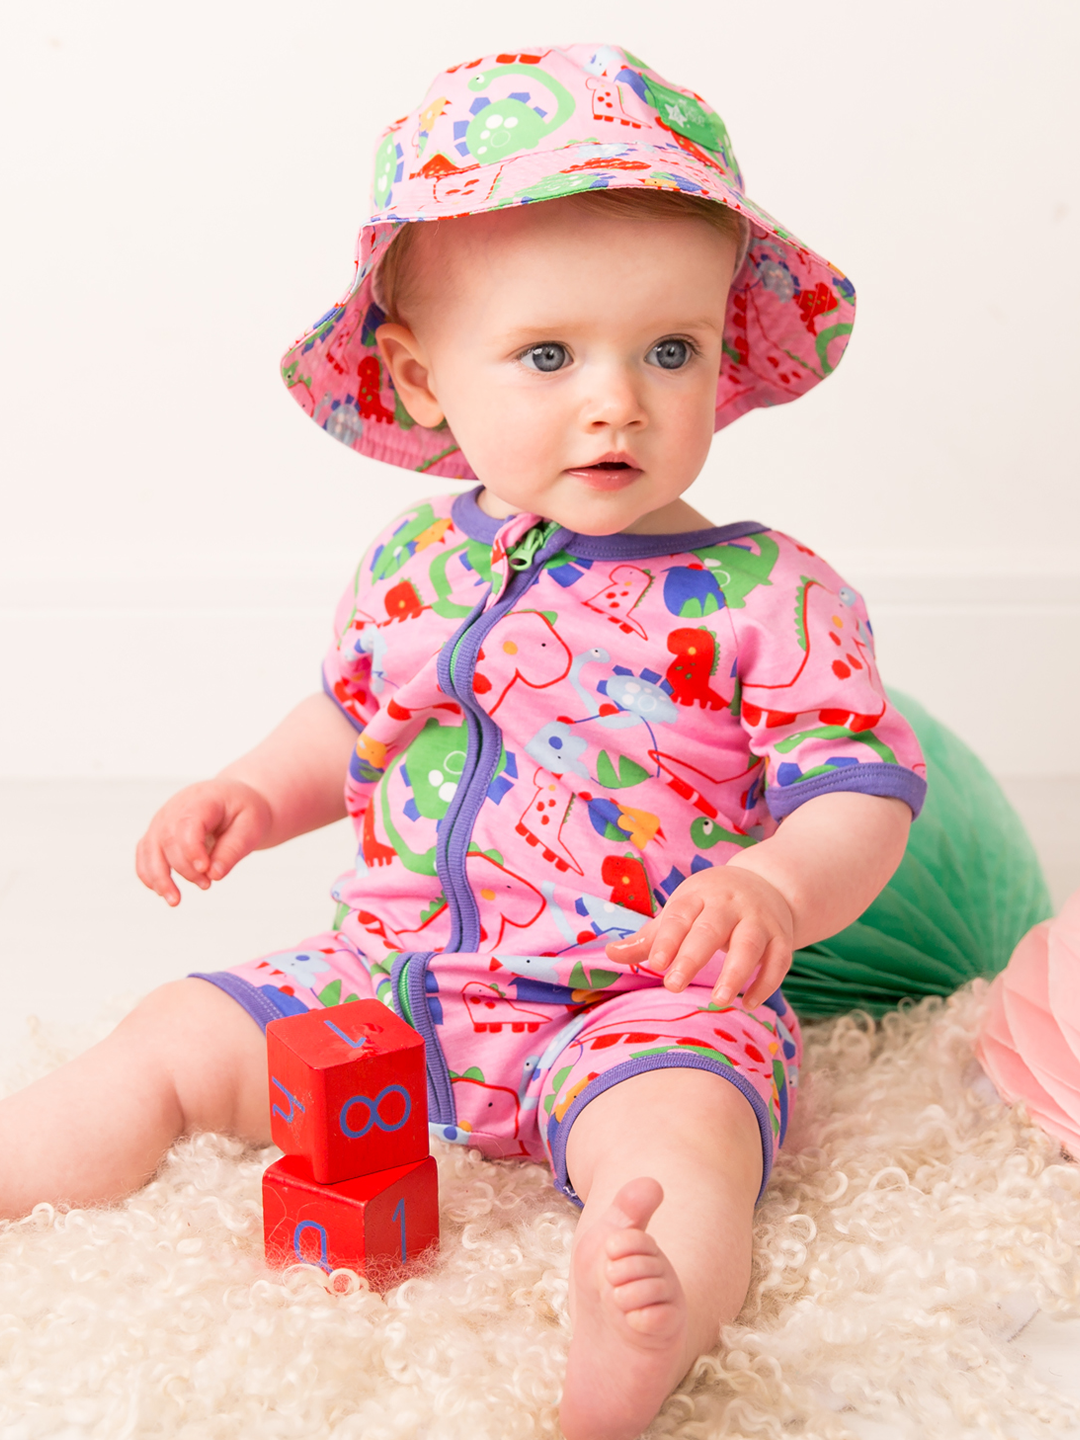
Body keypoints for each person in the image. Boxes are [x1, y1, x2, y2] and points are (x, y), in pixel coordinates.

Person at [0, 45, 927, 1440]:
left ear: (722, 355)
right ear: (419, 378)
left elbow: (861, 789)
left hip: (636, 1004)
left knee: (685, 1149)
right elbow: (354, 716)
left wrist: (779, 887)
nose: (617, 399)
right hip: (391, 979)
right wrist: (254, 789)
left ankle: (641, 1328)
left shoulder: (770, 595)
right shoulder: (417, 561)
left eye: (669, 350)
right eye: (549, 355)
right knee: (173, 1038)